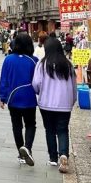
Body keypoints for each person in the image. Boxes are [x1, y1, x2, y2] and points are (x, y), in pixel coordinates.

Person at [32, 36, 77, 173]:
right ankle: (63, 154)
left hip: (46, 104)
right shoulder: (68, 64)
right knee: (63, 130)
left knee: (50, 130)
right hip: (64, 104)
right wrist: (72, 100)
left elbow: (36, 84)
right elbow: (74, 86)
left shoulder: (42, 64)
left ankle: (53, 158)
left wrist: (40, 92)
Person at [0, 31, 39, 166]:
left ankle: (21, 153)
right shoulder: (34, 61)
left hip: (13, 98)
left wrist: (2, 97)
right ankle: (27, 147)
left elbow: (4, 80)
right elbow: (38, 81)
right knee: (30, 124)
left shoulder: (8, 59)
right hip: (29, 98)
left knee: (16, 126)